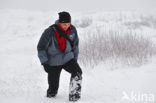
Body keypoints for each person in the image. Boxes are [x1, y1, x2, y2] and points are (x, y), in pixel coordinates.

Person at [37, 11, 82, 102]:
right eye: (64, 24)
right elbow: (41, 47)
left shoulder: (72, 30)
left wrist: (75, 60)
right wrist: (44, 62)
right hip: (53, 61)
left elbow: (75, 46)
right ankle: (50, 97)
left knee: (77, 72)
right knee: (53, 90)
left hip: (67, 58)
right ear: (59, 22)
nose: (66, 26)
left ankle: (74, 96)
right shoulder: (49, 32)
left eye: (68, 24)